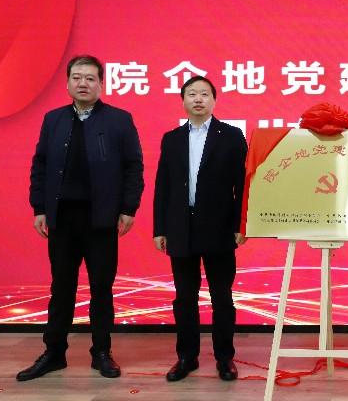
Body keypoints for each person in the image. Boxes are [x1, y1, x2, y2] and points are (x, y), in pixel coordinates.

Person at [18, 54, 144, 381]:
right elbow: (40, 165)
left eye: (90, 78)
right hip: (62, 217)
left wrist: (128, 208)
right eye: (77, 77)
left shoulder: (119, 120)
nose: (83, 83)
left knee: (101, 287)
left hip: (100, 218)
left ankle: (101, 352)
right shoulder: (53, 119)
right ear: (68, 83)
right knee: (61, 286)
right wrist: (39, 207)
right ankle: (54, 352)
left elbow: (134, 167)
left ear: (101, 84)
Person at [153, 76, 247, 382]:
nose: (198, 99)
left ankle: (225, 358)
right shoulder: (172, 139)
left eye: (204, 94)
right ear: (183, 100)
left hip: (219, 227)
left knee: (222, 297)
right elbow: (163, 186)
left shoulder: (231, 136)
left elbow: (242, 185)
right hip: (181, 227)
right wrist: (160, 228)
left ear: (214, 100)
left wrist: (241, 224)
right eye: (191, 94)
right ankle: (186, 357)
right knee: (184, 297)